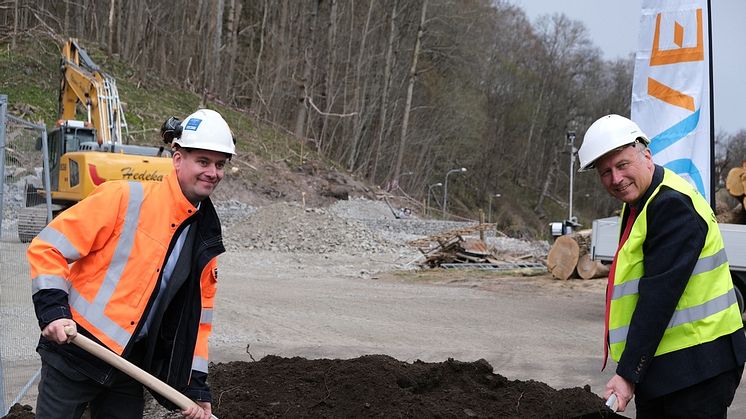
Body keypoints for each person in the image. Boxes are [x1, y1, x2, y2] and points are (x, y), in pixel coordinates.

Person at [27, 108, 235, 419]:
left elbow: (198, 324)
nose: (212, 172)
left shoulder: (204, 239)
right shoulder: (124, 197)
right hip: (76, 351)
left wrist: (196, 390)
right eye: (203, 161)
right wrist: (54, 312)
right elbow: (48, 247)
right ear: (178, 159)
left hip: (128, 367)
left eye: (219, 165)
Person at [577, 114, 746, 418]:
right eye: (606, 172)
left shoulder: (671, 206)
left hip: (699, 367)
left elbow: (658, 297)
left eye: (622, 165)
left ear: (647, 155)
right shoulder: (642, 202)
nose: (616, 179)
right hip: (671, 366)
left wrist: (628, 374)